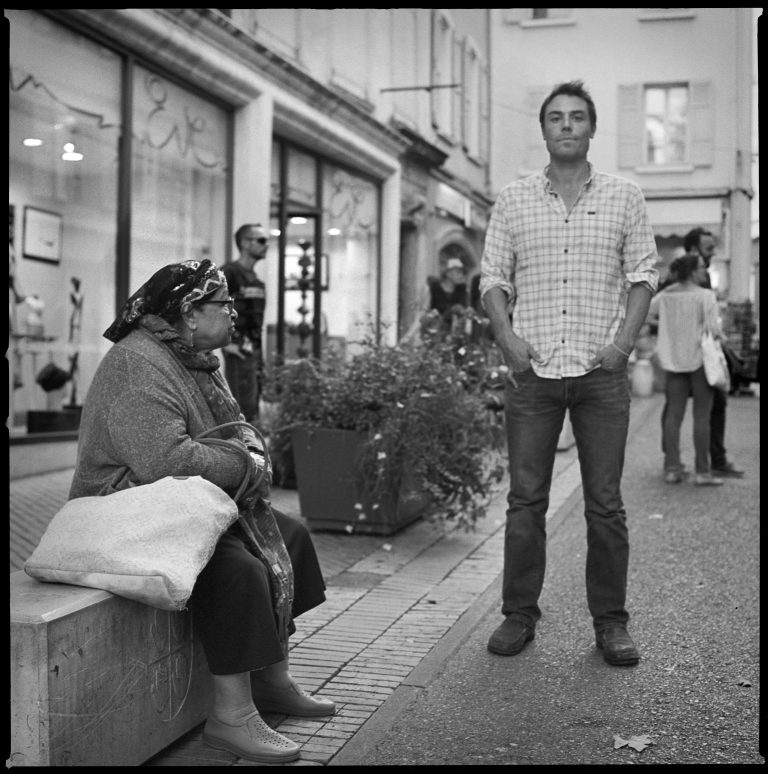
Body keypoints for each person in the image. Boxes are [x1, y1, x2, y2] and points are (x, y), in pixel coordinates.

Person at [69, 259, 335, 764]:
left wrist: (242, 461)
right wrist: (245, 463)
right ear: (190, 313)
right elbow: (163, 461)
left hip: (180, 502)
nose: (233, 312)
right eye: (223, 303)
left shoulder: (193, 358)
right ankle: (231, 715)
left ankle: (272, 679)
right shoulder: (137, 362)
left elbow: (217, 442)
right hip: (124, 511)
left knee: (289, 536)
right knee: (236, 569)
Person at [479, 80, 658, 667]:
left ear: (591, 128)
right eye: (555, 117)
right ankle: (518, 613)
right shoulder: (513, 199)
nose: (566, 125)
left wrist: (622, 345)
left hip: (600, 372)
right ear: (543, 129)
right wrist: (508, 339)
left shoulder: (625, 196)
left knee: (605, 505)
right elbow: (492, 278)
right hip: (534, 372)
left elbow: (643, 275)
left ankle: (611, 623)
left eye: (576, 117)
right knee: (525, 500)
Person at [648, 253, 724, 486]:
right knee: (702, 417)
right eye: (701, 267)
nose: (704, 270)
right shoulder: (705, 296)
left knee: (673, 415)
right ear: (691, 271)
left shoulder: (665, 296)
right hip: (701, 361)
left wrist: (666, 326)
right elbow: (714, 329)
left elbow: (645, 314)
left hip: (673, 360)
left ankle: (672, 468)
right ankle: (702, 472)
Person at [682, 227, 744, 478]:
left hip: (692, 352)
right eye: (708, 248)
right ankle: (710, 464)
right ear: (693, 250)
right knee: (711, 405)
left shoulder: (689, 276)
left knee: (680, 408)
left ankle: (676, 464)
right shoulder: (695, 277)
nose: (712, 253)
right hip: (700, 355)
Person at [221, 223, 269, 423]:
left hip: (254, 351)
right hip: (239, 350)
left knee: (252, 408)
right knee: (240, 411)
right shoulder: (229, 273)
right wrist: (226, 344)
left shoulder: (256, 280)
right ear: (245, 243)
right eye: (261, 240)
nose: (266, 245)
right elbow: (211, 307)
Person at [426, 256, 469, 335]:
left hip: (455, 332)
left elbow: (464, 309)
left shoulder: (462, 290)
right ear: (448, 274)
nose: (461, 276)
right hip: (435, 330)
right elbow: (427, 310)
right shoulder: (434, 289)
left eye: (462, 273)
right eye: (458, 272)